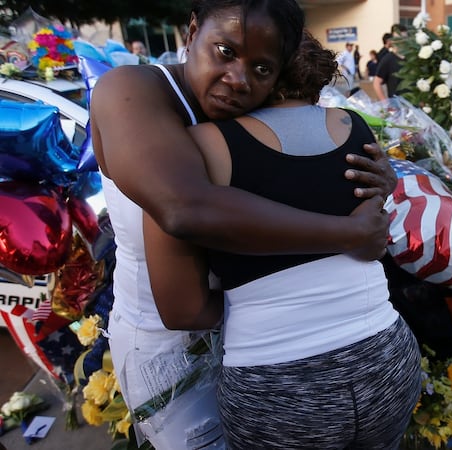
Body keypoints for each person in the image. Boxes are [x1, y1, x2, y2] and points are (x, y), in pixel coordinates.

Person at [89, 0, 396, 447]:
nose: (238, 79)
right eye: (225, 52)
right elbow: (183, 208)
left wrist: (382, 182)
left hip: (259, 335)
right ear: (192, 32)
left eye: (262, 68)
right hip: (171, 339)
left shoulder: (241, 120)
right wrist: (348, 235)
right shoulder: (130, 90)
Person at [372, 24, 407, 102]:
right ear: (392, 40)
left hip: (414, 107)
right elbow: (376, 83)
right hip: (397, 107)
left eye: (404, 38)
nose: (401, 41)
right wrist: (385, 103)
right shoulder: (388, 59)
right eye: (398, 38)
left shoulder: (411, 58)